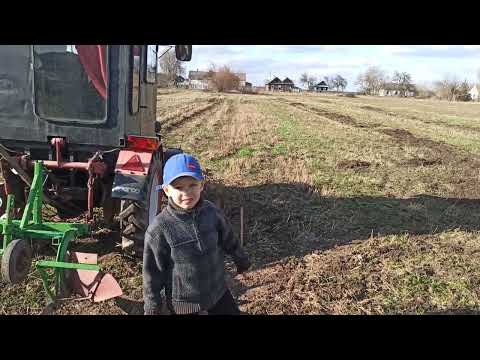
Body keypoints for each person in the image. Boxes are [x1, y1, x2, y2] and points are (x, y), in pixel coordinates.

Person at [143, 153, 251, 315]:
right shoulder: (160, 228)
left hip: (218, 292)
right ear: (166, 190)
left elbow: (229, 238)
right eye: (178, 187)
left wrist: (241, 259)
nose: (186, 192)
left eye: (192, 185)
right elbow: (152, 274)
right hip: (185, 304)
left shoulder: (211, 212)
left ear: (201, 185)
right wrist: (152, 308)